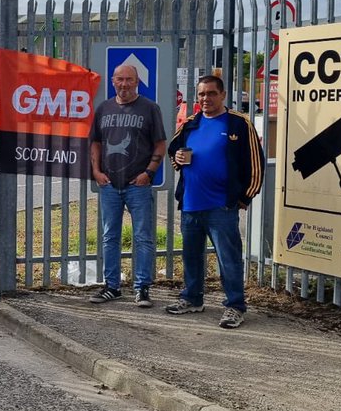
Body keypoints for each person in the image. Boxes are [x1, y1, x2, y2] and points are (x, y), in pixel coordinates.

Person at [165, 75, 264, 329]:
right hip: (190, 203)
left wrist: (244, 197)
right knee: (191, 257)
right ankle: (192, 298)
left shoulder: (238, 124)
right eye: (201, 94)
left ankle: (234, 306)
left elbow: (256, 163)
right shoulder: (190, 123)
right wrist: (177, 158)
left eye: (211, 94)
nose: (205, 99)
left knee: (228, 259)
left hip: (222, 205)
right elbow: (174, 151)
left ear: (222, 95)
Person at [87, 64, 166, 308]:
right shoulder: (104, 108)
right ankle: (112, 287)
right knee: (110, 237)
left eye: (129, 80)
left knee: (143, 238)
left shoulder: (150, 108)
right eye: (120, 79)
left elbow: (161, 143)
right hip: (110, 184)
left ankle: (142, 288)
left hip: (138, 185)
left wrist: (148, 173)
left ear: (137, 82)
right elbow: (96, 143)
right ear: (113, 81)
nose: (124, 84)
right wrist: (97, 172)